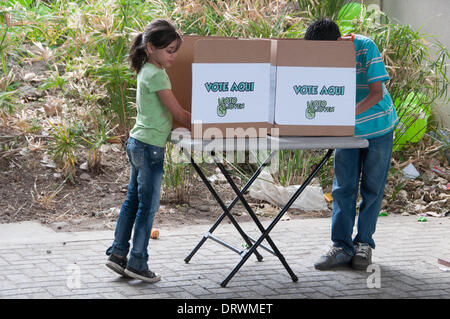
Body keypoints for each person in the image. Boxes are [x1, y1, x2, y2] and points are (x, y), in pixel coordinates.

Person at [304, 18, 398, 270]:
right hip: (346, 131)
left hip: (378, 127)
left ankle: (364, 244)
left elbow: (376, 92)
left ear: (338, 42)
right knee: (343, 187)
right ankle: (340, 246)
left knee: (371, 188)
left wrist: (346, 116)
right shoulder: (322, 53)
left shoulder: (366, 47)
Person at [105, 19, 191, 283]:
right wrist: (210, 122)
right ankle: (138, 262)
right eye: (170, 50)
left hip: (137, 143)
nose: (174, 56)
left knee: (133, 201)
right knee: (148, 207)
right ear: (151, 47)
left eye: (176, 50)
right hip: (150, 148)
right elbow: (177, 113)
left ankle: (118, 254)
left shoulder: (145, 69)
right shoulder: (157, 75)